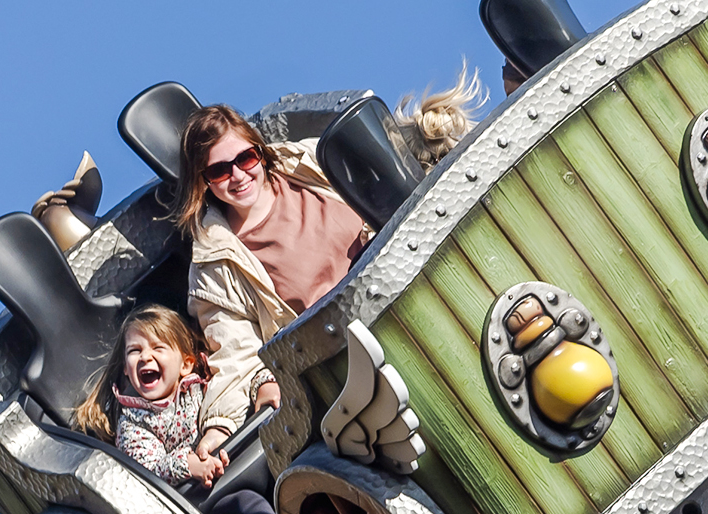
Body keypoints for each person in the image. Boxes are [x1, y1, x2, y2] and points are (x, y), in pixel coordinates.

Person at [171, 67, 486, 458]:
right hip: (355, 364)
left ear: (259, 152)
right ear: (203, 182)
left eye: (245, 158)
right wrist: (221, 426)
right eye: (220, 170)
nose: (238, 175)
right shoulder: (214, 262)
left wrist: (425, 132)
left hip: (414, 293)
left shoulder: (309, 161)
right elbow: (235, 355)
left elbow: (391, 169)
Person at [73, 304, 293, 514]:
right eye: (135, 351)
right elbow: (149, 468)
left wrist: (264, 384)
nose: (145, 357)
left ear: (186, 364)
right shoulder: (134, 424)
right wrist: (187, 464)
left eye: (158, 348)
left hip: (251, 457)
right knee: (243, 505)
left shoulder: (201, 379)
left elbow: (236, 378)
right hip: (206, 496)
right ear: (126, 371)